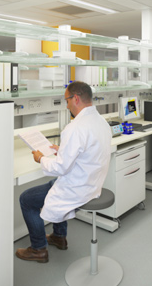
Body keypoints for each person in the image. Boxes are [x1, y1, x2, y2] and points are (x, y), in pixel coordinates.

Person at [16, 81, 112, 263]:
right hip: (91, 184)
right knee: (54, 186)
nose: (66, 105)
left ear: (76, 99)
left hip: (76, 187)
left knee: (26, 199)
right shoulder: (101, 122)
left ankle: (38, 249)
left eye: (67, 100)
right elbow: (89, 151)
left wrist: (40, 158)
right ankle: (59, 237)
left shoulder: (75, 128)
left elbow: (60, 168)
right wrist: (63, 150)